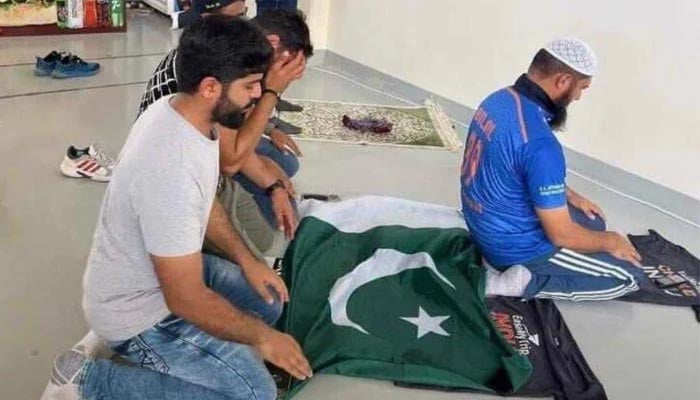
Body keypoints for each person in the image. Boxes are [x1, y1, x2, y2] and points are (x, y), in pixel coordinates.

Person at [41, 16, 312, 400]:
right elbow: (184, 298)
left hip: (152, 280)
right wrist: (262, 339)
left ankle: (115, 339)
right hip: (141, 311)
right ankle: (85, 383)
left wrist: (247, 260)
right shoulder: (170, 163)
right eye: (250, 87)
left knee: (268, 301)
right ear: (210, 88)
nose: (258, 95)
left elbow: (205, 205)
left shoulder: (190, 113)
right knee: (255, 394)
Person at [460, 37, 645, 301]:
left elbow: (517, 165)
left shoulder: (498, 100)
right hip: (511, 248)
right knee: (629, 276)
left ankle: (507, 261)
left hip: (482, 224)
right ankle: (517, 281)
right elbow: (560, 234)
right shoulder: (541, 144)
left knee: (593, 221)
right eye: (581, 88)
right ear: (562, 81)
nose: (579, 97)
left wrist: (571, 196)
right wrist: (611, 240)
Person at [140, 2, 314, 247]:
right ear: (273, 43)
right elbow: (231, 160)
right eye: (287, 67)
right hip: (179, 156)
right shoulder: (227, 64)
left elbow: (238, 122)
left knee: (284, 164)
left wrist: (270, 135)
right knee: (266, 230)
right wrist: (272, 91)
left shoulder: (237, 52)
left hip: (212, 141)